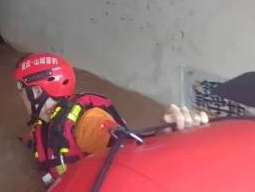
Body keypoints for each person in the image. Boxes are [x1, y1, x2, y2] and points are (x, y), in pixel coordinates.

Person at [14, 52, 209, 188]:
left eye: (20, 89)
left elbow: (127, 148)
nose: (19, 96)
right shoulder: (41, 125)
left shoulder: (87, 122)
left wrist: (164, 138)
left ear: (36, 91)